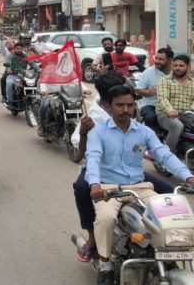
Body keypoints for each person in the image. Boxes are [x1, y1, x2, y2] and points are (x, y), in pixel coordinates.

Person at [85, 84, 194, 285]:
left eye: (129, 105)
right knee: (106, 219)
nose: (125, 110)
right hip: (109, 189)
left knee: (170, 216)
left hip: (140, 187)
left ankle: (165, 255)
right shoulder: (98, 132)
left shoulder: (144, 131)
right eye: (120, 105)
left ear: (135, 106)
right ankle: (105, 264)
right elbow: (92, 157)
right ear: (109, 106)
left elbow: (164, 154)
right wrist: (94, 185)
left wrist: (188, 177)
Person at [71, 71, 172, 264]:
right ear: (107, 99)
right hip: (101, 171)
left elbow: (143, 142)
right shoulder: (93, 116)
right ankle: (93, 239)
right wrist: (84, 133)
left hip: (129, 171)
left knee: (168, 191)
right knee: (82, 188)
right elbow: (83, 153)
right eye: (118, 99)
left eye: (129, 100)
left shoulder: (131, 110)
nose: (125, 104)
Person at [157, 54, 194, 153]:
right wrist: (171, 110)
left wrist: (191, 109)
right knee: (177, 126)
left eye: (181, 66)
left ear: (188, 67)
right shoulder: (165, 80)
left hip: (188, 115)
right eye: (175, 65)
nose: (177, 68)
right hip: (166, 115)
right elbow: (163, 98)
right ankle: (169, 158)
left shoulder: (193, 82)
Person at [135, 48, 173, 131]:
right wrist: (149, 92)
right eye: (156, 58)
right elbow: (138, 90)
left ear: (170, 60)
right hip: (151, 104)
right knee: (150, 117)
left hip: (171, 104)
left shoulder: (175, 72)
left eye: (161, 59)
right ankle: (153, 137)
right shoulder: (148, 72)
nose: (157, 61)